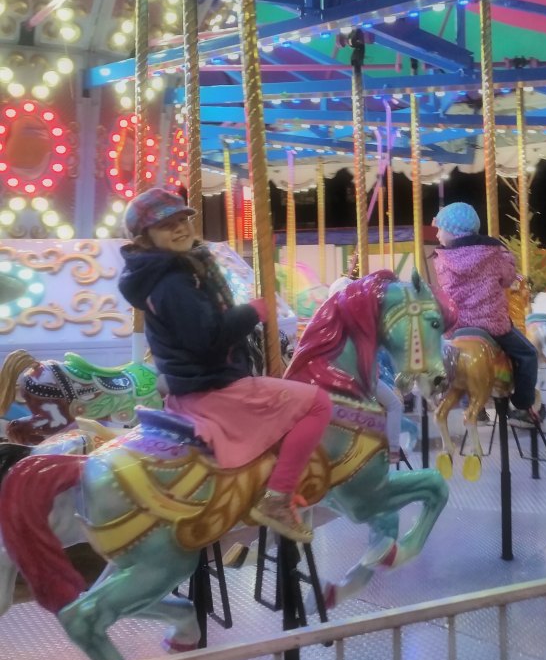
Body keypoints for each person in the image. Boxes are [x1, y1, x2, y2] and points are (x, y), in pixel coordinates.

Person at [118, 187, 332, 543]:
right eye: (167, 225)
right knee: (318, 403)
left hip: (198, 384)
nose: (181, 228)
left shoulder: (175, 271)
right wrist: (253, 312)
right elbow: (206, 339)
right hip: (213, 387)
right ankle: (277, 499)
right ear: (145, 239)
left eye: (183, 219)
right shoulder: (171, 281)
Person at [431, 202, 540, 422]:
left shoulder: (442, 260)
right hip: (493, 324)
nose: (437, 235)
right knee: (528, 354)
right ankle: (521, 404)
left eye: (440, 229)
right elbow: (509, 279)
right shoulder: (494, 253)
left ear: (454, 231)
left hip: (458, 326)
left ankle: (462, 398)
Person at [328, 275, 402, 462]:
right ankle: (392, 450)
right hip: (360, 379)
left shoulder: (328, 324)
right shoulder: (359, 324)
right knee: (394, 405)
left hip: (334, 379)